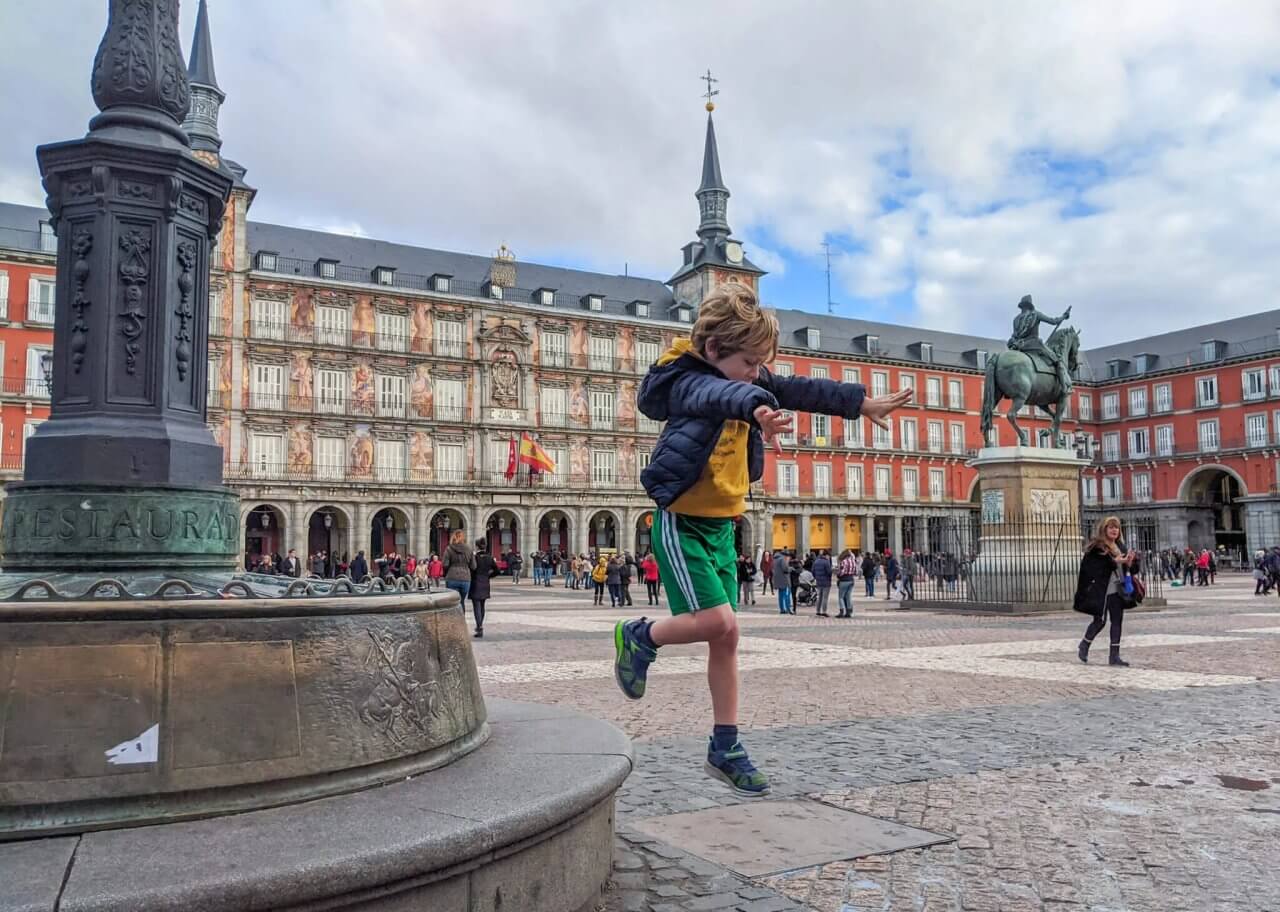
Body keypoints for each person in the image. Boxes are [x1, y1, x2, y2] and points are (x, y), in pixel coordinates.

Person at [610, 285, 910, 796]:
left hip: (724, 523)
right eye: (749, 362)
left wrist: (860, 403)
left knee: (726, 637)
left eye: (759, 364)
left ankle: (724, 745)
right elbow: (717, 395)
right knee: (719, 620)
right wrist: (755, 406)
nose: (757, 371)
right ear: (713, 351)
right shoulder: (681, 377)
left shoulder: (745, 374)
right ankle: (639, 636)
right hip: (682, 521)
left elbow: (798, 386)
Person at [1074, 516, 1137, 667]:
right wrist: (1113, 562)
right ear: (1104, 529)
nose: (1114, 530)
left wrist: (1130, 562)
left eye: (1116, 527)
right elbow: (1091, 568)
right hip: (1102, 589)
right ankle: (1085, 644)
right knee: (1100, 621)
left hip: (1118, 587)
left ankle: (1114, 656)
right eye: (1111, 527)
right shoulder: (1097, 547)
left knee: (1117, 620)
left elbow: (1131, 570)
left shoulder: (1120, 546)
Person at [470, 538, 499, 638]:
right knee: (482, 606)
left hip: (475, 583)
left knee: (476, 606)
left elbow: (471, 569)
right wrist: (488, 576)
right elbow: (497, 571)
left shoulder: (475, 557)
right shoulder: (489, 557)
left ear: (477, 546)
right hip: (485, 583)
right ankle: (480, 626)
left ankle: (479, 627)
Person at [441, 530, 475, 604]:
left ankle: (453, 615)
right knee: (461, 601)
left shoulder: (449, 548)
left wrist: (446, 573)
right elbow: (474, 566)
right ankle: (462, 615)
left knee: (452, 603)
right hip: (465, 578)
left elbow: (445, 564)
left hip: (452, 577)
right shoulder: (469, 549)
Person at [835, 548, 857, 617]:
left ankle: (841, 611)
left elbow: (842, 572)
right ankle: (849, 611)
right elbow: (856, 572)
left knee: (841, 597)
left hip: (844, 580)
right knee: (848, 596)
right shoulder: (853, 561)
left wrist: (838, 575)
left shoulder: (843, 562)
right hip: (851, 580)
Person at [811, 550, 832, 617]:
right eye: (829, 556)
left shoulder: (816, 561)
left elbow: (813, 571)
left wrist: (816, 577)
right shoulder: (826, 562)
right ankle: (824, 611)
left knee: (819, 597)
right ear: (826, 555)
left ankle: (818, 611)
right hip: (826, 582)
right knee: (825, 597)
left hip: (819, 582)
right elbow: (829, 572)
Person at [772, 549, 793, 614]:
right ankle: (787, 609)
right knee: (786, 595)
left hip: (778, 580)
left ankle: (782, 609)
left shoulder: (775, 559)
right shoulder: (782, 559)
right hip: (784, 580)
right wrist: (791, 568)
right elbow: (785, 569)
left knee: (780, 595)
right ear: (785, 555)